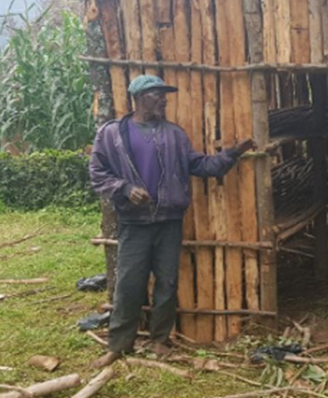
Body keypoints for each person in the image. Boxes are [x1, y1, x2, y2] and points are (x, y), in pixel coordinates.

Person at [88, 75, 254, 368]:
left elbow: (199, 165)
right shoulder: (113, 134)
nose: (163, 99)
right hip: (134, 222)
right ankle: (119, 344)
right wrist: (125, 189)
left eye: (164, 95)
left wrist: (231, 154)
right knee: (129, 283)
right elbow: (98, 173)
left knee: (167, 281)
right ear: (138, 98)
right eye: (156, 94)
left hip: (169, 220)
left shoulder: (175, 134)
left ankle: (159, 340)